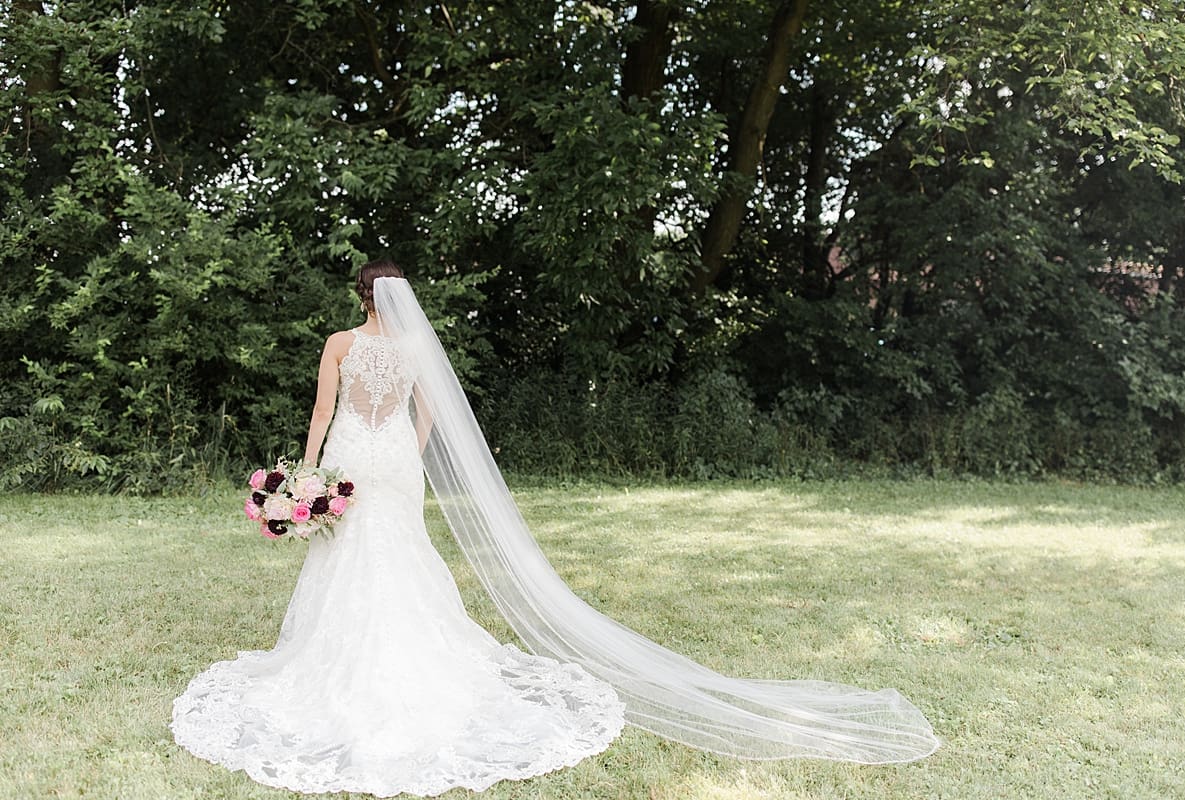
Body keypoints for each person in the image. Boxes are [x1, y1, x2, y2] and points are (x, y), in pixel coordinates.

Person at [172, 260, 938, 797]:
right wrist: (410, 448)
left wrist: (303, 477)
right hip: (396, 461)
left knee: (350, 554)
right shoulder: (413, 348)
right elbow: (430, 412)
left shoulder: (342, 344)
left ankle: (337, 658)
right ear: (400, 299)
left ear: (360, 294)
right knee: (400, 551)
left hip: (350, 456)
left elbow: (320, 414)